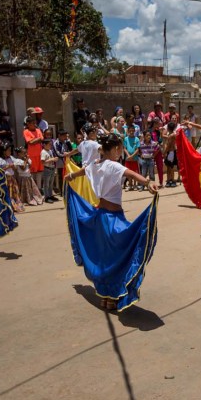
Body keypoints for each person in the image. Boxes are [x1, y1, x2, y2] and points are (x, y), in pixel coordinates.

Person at [65, 133, 159, 311]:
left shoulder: (94, 164)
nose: (120, 152)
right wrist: (148, 182)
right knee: (119, 256)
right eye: (120, 148)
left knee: (104, 257)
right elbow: (132, 174)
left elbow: (81, 171)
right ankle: (113, 295)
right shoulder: (114, 166)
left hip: (100, 217)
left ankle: (105, 297)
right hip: (113, 219)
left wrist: (70, 177)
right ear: (115, 149)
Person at [0, 142, 24, 212]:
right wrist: (8, 166)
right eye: (8, 150)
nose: (10, 152)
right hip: (4, 179)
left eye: (10, 150)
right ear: (3, 151)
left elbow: (14, 167)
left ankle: (16, 205)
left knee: (15, 193)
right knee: (8, 193)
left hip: (12, 178)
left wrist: (13, 166)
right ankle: (8, 206)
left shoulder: (11, 158)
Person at [23, 117, 44, 191]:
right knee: (32, 173)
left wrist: (35, 140)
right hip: (31, 155)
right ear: (28, 124)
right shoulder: (26, 131)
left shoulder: (38, 130)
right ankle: (32, 189)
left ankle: (39, 189)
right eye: (32, 123)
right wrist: (38, 139)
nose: (34, 124)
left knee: (39, 172)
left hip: (39, 154)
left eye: (35, 123)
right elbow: (30, 142)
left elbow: (42, 138)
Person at [53, 129, 73, 196]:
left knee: (69, 175)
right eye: (64, 136)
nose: (65, 137)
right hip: (60, 162)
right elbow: (57, 153)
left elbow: (71, 150)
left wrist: (69, 143)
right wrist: (65, 154)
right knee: (61, 177)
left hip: (67, 161)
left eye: (66, 136)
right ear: (59, 136)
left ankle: (69, 190)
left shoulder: (66, 142)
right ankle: (62, 191)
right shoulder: (56, 143)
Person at [40, 139, 59, 203]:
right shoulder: (43, 152)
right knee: (46, 184)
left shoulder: (50, 151)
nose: (50, 146)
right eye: (49, 144)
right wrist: (51, 159)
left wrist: (54, 159)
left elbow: (52, 158)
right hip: (47, 168)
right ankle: (46, 197)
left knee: (51, 183)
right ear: (44, 145)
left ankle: (50, 195)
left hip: (52, 168)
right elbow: (42, 162)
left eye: (50, 144)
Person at [123, 125, 140, 190]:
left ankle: (135, 185)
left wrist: (132, 156)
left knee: (135, 172)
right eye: (130, 131)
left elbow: (137, 149)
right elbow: (124, 148)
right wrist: (129, 156)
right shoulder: (126, 139)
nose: (131, 132)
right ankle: (130, 185)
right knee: (129, 172)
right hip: (128, 159)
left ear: (134, 131)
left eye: (133, 131)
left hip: (135, 159)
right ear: (128, 131)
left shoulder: (137, 139)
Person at [163, 122, 178, 187]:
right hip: (170, 152)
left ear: (168, 128)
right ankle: (169, 180)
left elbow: (168, 145)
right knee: (168, 167)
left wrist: (164, 152)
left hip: (171, 152)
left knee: (171, 167)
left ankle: (172, 180)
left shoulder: (172, 135)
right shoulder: (171, 134)